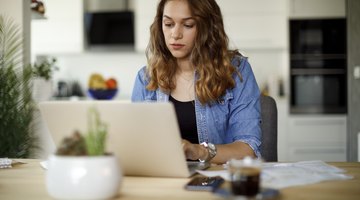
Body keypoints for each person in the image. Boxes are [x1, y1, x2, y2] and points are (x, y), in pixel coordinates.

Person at [131, 0, 261, 164]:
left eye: (188, 25)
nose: (175, 34)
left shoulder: (237, 71)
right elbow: (137, 146)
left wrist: (199, 151)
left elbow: (249, 148)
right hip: (165, 180)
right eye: (169, 24)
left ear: (207, 28)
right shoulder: (146, 78)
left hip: (217, 180)